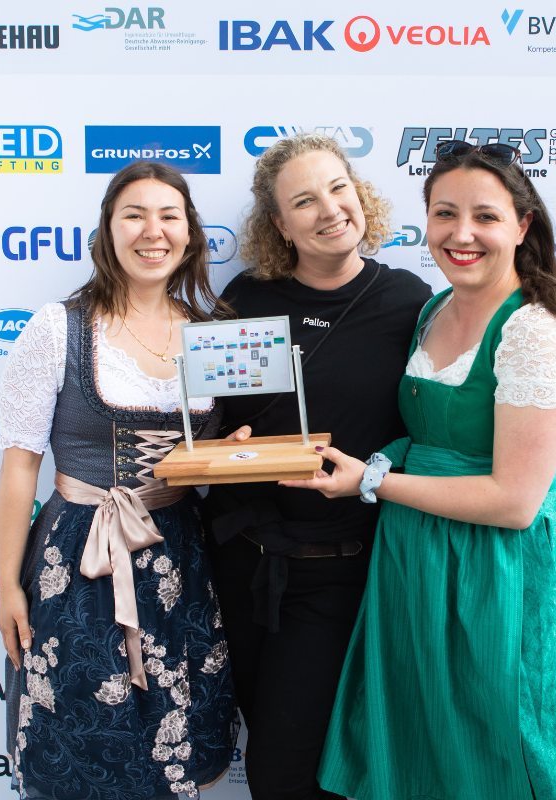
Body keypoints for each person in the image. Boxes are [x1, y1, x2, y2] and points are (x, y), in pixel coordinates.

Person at [283, 142, 556, 800]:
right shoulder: (433, 308)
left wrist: (372, 483)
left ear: (522, 226)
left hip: (503, 574)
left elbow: (514, 501)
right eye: (445, 213)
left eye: (485, 217)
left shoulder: (535, 327)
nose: (461, 233)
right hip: (419, 561)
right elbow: (430, 436)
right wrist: (374, 459)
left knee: (502, 748)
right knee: (432, 752)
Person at [0, 161, 236, 800]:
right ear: (108, 231)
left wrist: (235, 451)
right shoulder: (58, 328)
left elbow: (207, 458)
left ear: (189, 234)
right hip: (78, 555)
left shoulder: (212, 335)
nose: (152, 231)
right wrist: (6, 587)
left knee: (175, 729)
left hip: (178, 554)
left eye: (169, 216)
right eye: (134, 215)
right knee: (82, 728)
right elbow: (20, 465)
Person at [205, 133, 433, 799]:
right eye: (304, 201)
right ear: (280, 225)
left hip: (339, 570)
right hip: (240, 565)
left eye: (338, 188)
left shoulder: (409, 303)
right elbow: (211, 419)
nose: (330, 208)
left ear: (360, 196)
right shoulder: (246, 298)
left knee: (283, 769)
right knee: (275, 746)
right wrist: (225, 442)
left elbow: (429, 429)